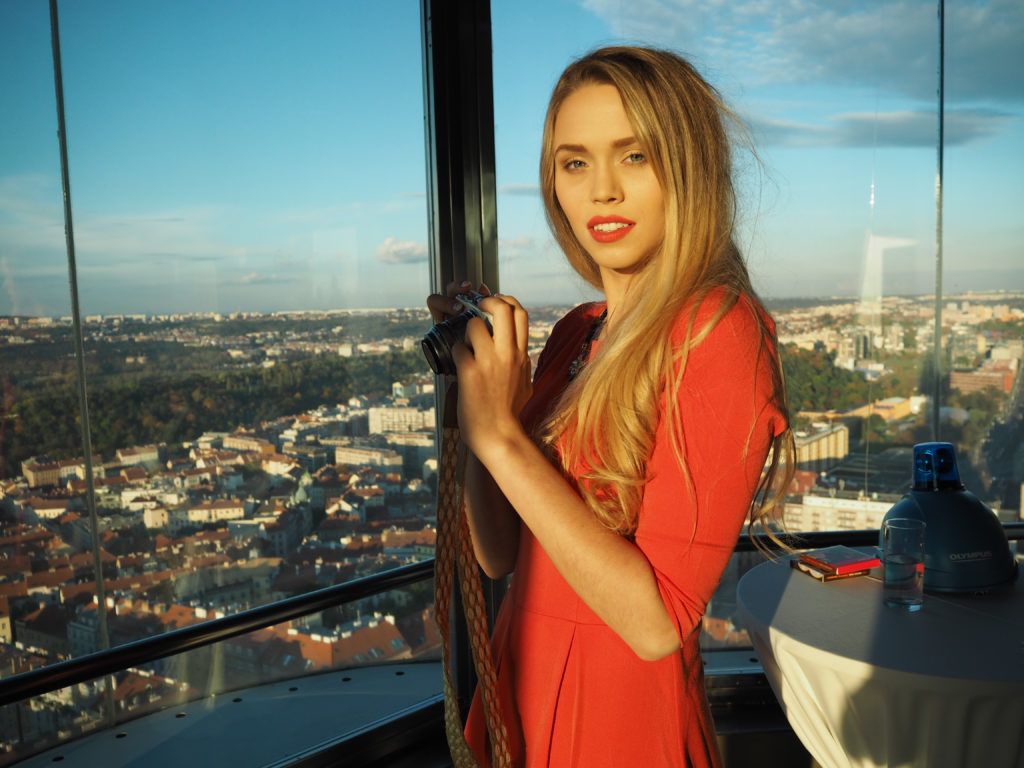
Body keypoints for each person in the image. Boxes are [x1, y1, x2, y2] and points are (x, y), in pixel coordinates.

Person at [427, 46, 794, 768]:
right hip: (521, 694)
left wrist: (501, 436)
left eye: (635, 156)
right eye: (575, 162)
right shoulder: (578, 331)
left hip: (619, 724)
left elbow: (658, 624)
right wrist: (486, 400)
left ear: (689, 168)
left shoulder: (719, 330)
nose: (602, 190)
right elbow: (499, 554)